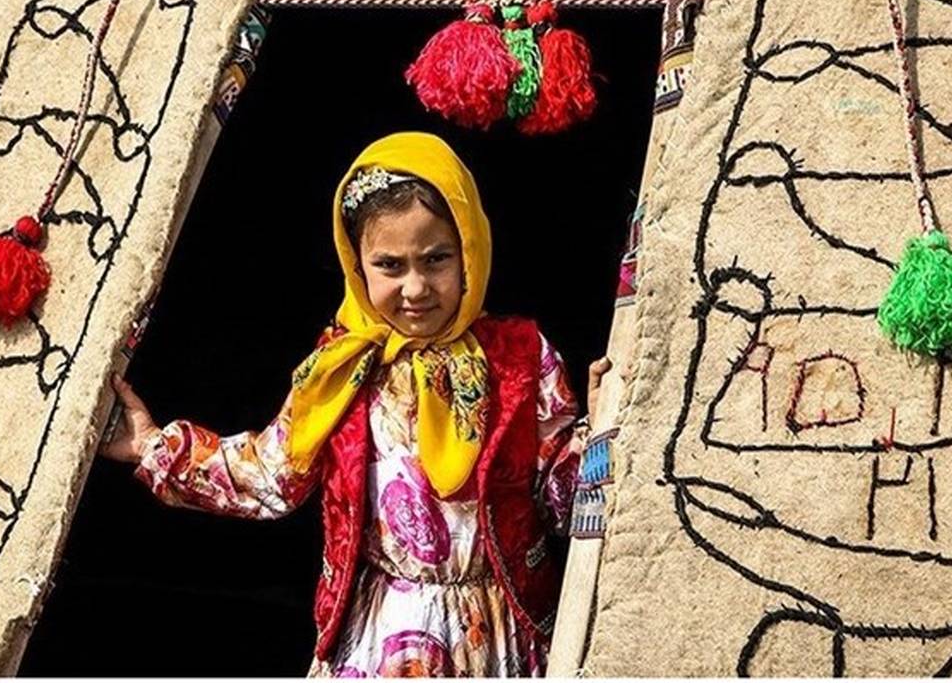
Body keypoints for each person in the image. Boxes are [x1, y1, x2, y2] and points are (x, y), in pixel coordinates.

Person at [102, 131, 611, 677]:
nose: (416, 288)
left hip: (499, 635)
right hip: (383, 635)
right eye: (390, 265)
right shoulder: (341, 369)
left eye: (437, 258)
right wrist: (152, 447)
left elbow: (562, 503)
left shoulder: (522, 358)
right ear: (356, 265)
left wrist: (599, 431)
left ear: (470, 250)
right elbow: (271, 477)